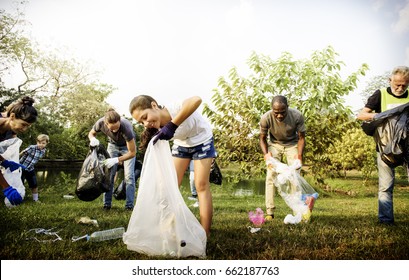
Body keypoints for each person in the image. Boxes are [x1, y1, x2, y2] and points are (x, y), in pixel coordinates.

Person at [129, 95, 215, 236]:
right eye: (141, 122)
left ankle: (205, 231)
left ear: (154, 105)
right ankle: (169, 225)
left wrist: (172, 125)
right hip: (182, 144)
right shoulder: (156, 127)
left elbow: (196, 100)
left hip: (202, 139)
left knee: (201, 185)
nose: (145, 124)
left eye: (145, 117)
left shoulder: (174, 106)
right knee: (170, 184)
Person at [357, 66, 409, 225]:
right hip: (385, 148)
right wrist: (380, 115)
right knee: (386, 185)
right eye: (397, 85)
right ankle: (386, 221)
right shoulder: (381, 94)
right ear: (390, 81)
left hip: (407, 147)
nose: (400, 88)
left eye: (404, 85)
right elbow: (361, 115)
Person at [259, 95, 306, 221]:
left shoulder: (297, 116)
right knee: (270, 175)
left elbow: (302, 138)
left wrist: (299, 155)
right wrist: (266, 154)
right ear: (272, 110)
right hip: (274, 145)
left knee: (295, 175)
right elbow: (262, 139)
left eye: (282, 112)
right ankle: (270, 212)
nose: (279, 116)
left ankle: (297, 211)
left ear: (287, 108)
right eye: (276, 113)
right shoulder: (266, 117)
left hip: (292, 145)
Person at [88, 108, 137, 210]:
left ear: (119, 121)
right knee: (109, 176)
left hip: (126, 147)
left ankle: (129, 206)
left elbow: (132, 153)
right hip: (112, 146)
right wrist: (92, 139)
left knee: (129, 177)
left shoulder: (126, 128)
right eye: (112, 129)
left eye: (117, 128)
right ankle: (107, 205)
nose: (115, 130)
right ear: (106, 124)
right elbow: (91, 133)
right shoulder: (100, 123)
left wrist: (116, 160)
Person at [0, 96, 38, 206]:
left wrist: (4, 161)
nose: (24, 129)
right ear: (12, 116)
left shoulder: (6, 131)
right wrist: (7, 188)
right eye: (23, 124)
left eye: (28, 126)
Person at [19, 134, 49, 202]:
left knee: (34, 184)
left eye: (43, 143)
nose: (41, 144)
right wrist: (14, 160)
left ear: (47, 143)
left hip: (30, 169)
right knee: (20, 184)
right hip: (21, 168)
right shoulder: (32, 148)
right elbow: (22, 153)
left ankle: (35, 199)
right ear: (36, 142)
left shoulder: (43, 151)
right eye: (39, 143)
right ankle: (19, 199)